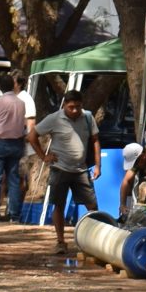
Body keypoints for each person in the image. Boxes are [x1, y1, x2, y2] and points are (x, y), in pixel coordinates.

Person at [34, 88, 100, 261]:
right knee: (59, 205)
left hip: (81, 170)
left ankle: (96, 242)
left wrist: (98, 165)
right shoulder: (54, 119)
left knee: (92, 206)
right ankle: (61, 242)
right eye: (71, 107)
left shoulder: (87, 117)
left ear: (82, 105)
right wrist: (44, 156)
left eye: (78, 106)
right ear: (64, 105)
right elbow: (32, 135)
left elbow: (95, 140)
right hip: (60, 169)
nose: (75, 110)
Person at [0, 75, 30, 221]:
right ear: (13, 86)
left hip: (0, 142)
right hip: (17, 143)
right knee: (14, 179)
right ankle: (14, 215)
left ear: (0, 87)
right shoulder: (21, 103)